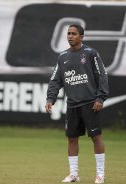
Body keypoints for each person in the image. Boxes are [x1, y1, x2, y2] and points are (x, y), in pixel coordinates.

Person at [45, 24, 109, 183]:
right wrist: (50, 98)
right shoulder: (62, 57)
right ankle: (74, 174)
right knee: (72, 139)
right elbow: (55, 80)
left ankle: (100, 174)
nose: (70, 36)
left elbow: (102, 75)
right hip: (72, 104)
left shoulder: (90, 53)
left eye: (74, 34)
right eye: (68, 33)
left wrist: (100, 98)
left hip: (90, 103)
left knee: (96, 137)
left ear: (81, 37)